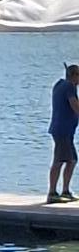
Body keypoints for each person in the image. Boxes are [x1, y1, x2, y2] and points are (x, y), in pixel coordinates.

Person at [48, 65, 79, 203]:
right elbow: (75, 106)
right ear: (74, 75)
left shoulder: (60, 85)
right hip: (62, 130)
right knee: (59, 161)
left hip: (64, 130)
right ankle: (52, 193)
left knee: (72, 160)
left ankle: (65, 191)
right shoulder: (69, 86)